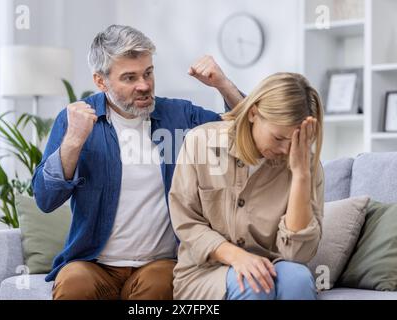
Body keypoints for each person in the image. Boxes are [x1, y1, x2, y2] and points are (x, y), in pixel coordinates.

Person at [31, 24, 244, 300]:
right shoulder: (75, 120)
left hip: (159, 263)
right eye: (129, 78)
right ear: (100, 81)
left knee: (160, 285)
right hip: (93, 264)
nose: (143, 85)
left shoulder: (179, 116)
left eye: (148, 73)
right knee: (73, 284)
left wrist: (223, 85)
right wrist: (72, 142)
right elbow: (45, 199)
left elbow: (247, 133)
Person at [169, 72, 325, 300]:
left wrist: (301, 175)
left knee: (298, 279)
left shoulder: (306, 165)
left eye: (294, 142)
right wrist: (236, 257)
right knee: (253, 286)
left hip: (273, 266)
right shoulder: (200, 142)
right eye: (279, 138)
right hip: (205, 272)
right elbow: (186, 222)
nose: (285, 150)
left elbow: (297, 255)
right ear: (253, 113)